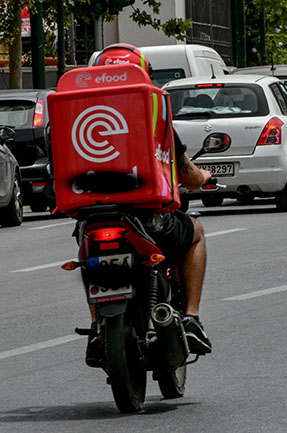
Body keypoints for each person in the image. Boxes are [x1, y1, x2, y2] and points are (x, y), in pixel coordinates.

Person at [82, 44, 214, 365]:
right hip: (149, 221)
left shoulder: (80, 116)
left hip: (94, 221)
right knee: (195, 232)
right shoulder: (153, 115)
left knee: (89, 257)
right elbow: (189, 176)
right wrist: (205, 175)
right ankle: (192, 318)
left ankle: (98, 325)